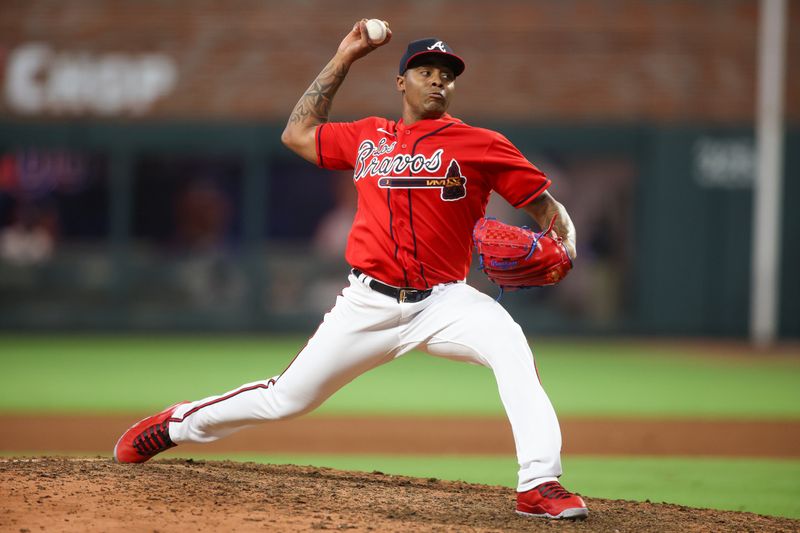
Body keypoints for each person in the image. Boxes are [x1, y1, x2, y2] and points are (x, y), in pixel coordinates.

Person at [114, 20, 587, 520]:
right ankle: (175, 426)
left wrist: (568, 246)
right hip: (368, 303)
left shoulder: (482, 144)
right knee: (286, 398)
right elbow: (296, 134)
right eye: (424, 70)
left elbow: (546, 208)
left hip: (445, 301)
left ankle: (539, 483)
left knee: (509, 343)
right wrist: (344, 56)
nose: (436, 80)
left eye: (446, 74)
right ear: (401, 83)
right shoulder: (368, 137)